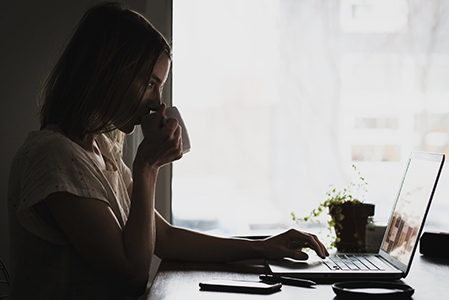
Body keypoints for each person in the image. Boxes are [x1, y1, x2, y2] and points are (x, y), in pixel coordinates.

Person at [7, 2, 328, 299]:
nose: (158, 102)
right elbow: (131, 275)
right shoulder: (54, 157)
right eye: (149, 82)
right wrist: (147, 167)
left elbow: (165, 237)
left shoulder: (100, 152)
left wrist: (264, 247)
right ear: (107, 74)